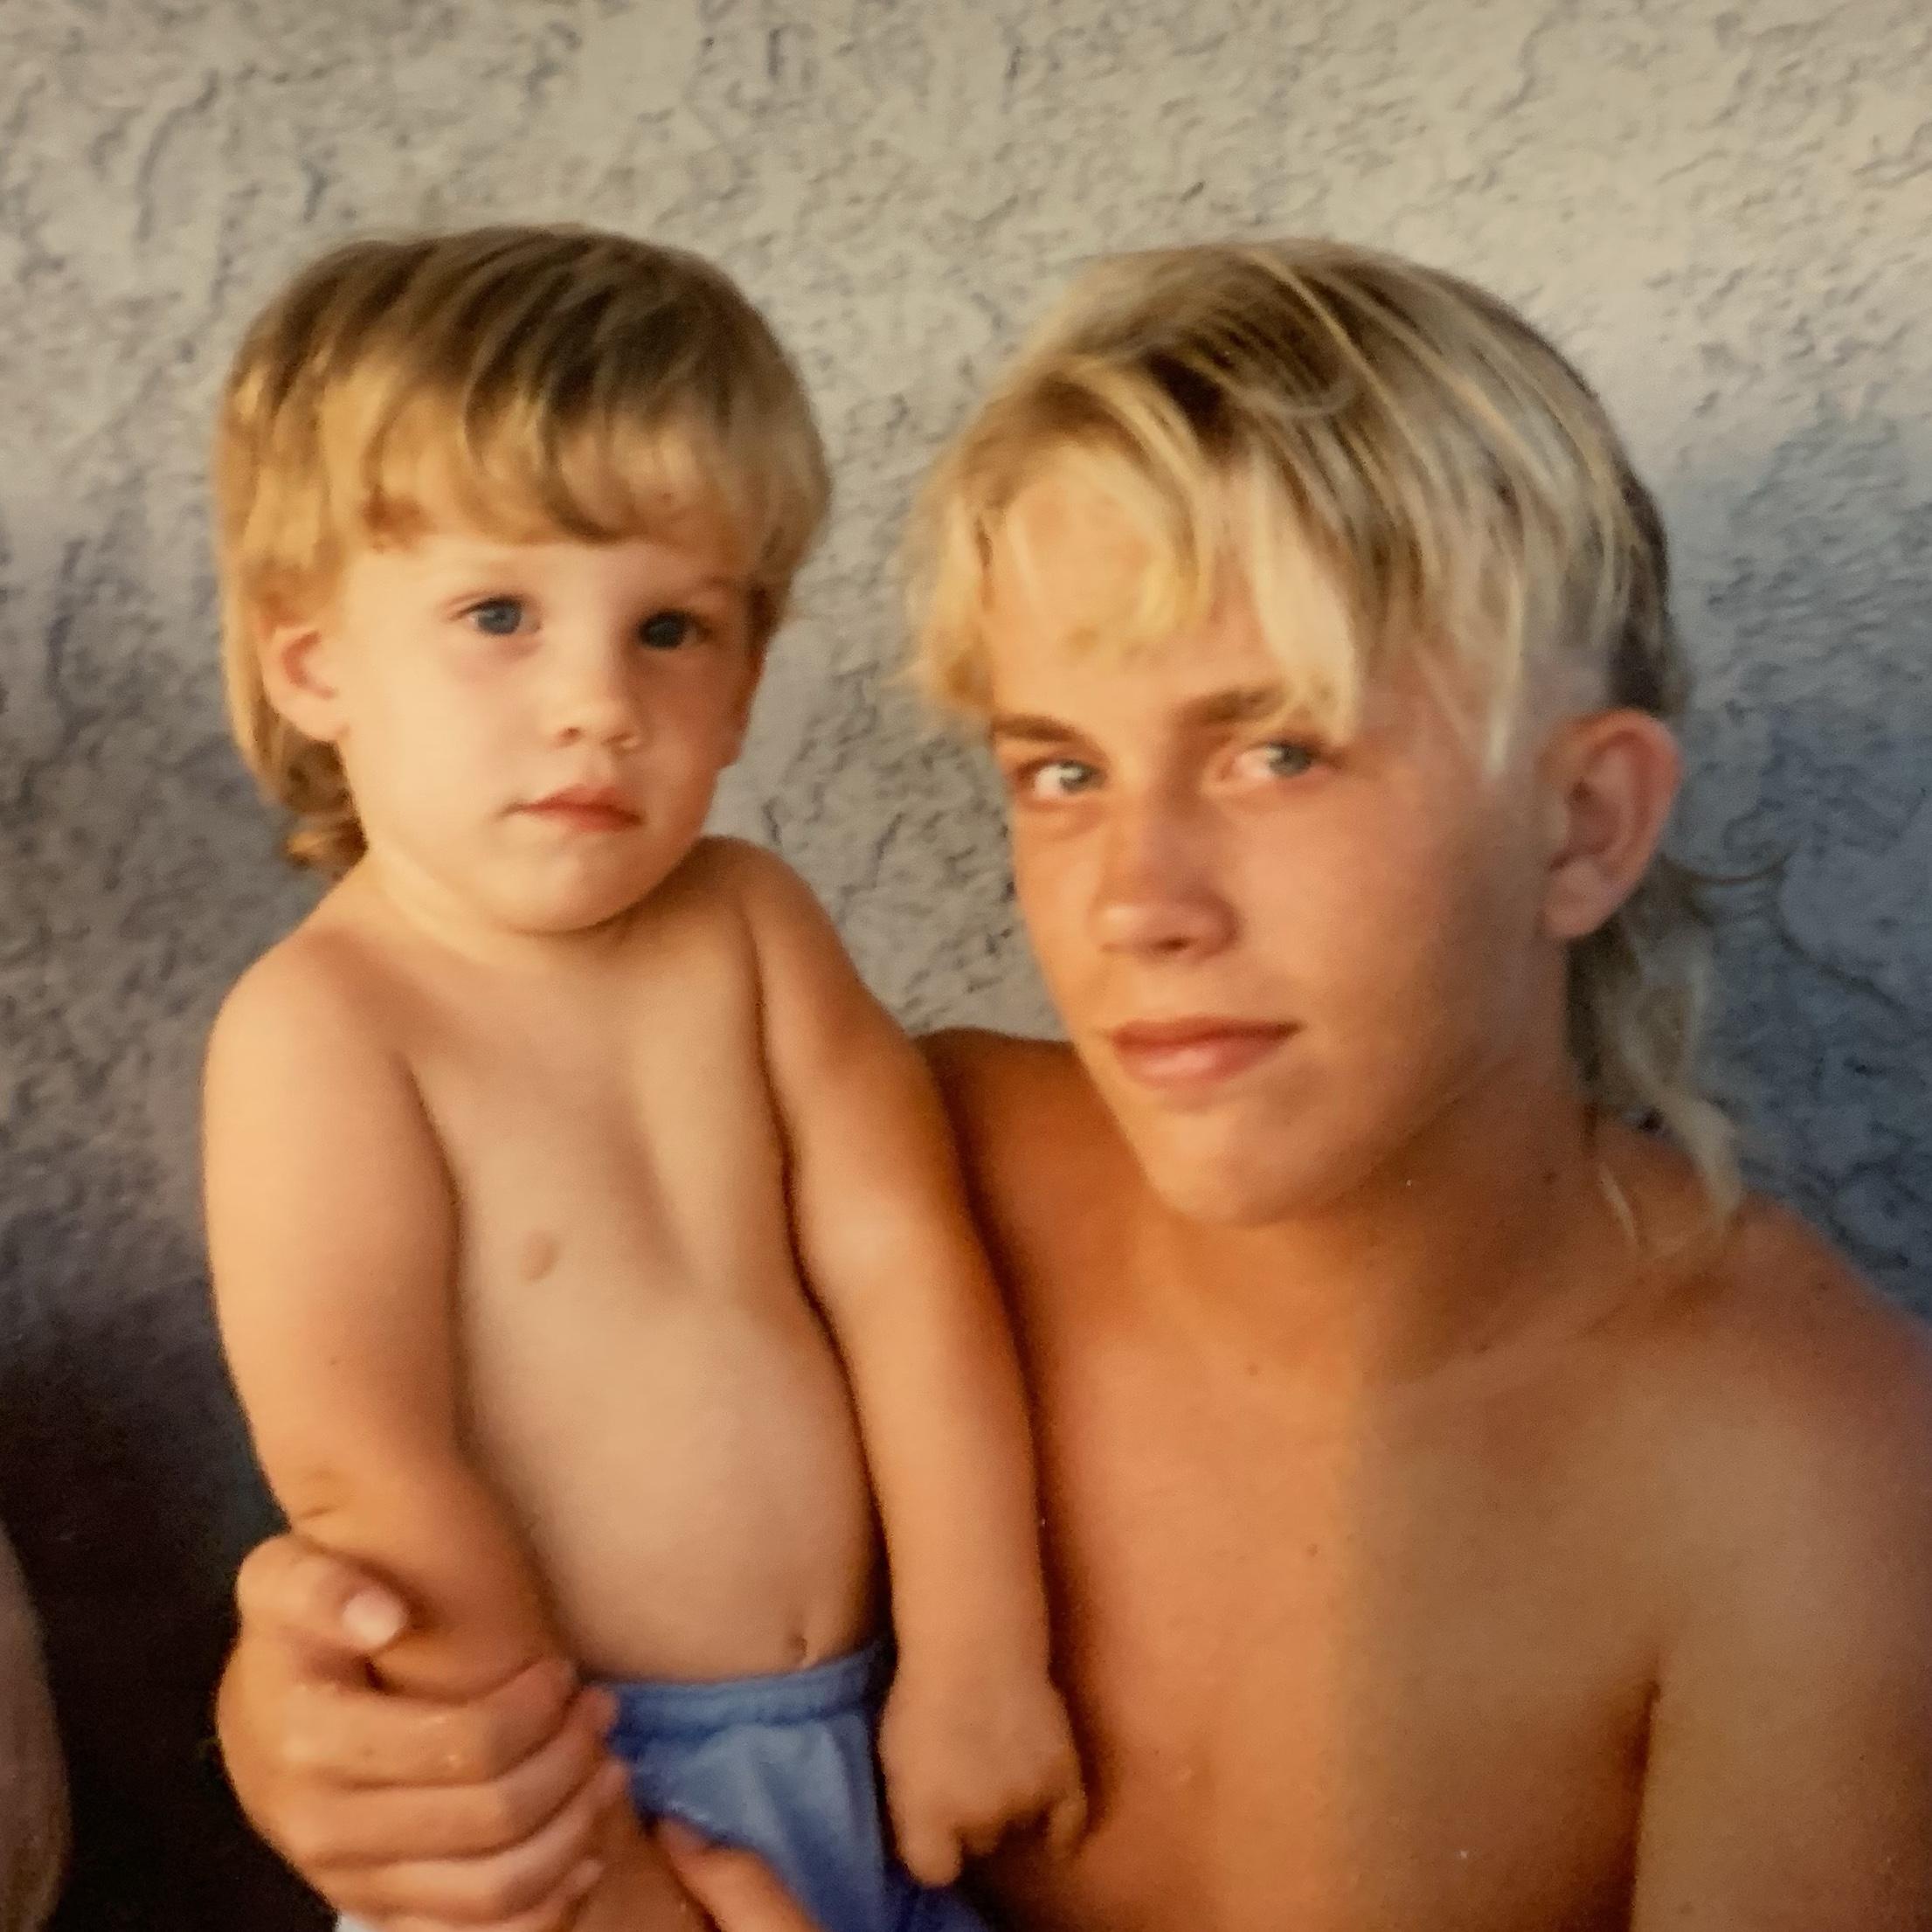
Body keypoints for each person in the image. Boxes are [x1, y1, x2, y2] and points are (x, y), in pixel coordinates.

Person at [215, 239, 1932, 1932]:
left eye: (1277, 750)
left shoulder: (1807, 1482)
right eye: (1060, 768)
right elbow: (439, 1495)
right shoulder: (918, 1160)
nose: (1134, 904)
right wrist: (333, 1750)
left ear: (1580, 823)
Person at [201, 225, 1082, 1932]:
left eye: (670, 626)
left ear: (744, 681)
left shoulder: (752, 925)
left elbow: (906, 1268)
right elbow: (371, 1483)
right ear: (313, 660)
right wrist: (588, 1863)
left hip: (871, 1726)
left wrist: (981, 1649)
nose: (598, 702)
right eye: (499, 614)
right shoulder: (325, 1029)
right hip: (557, 1798)